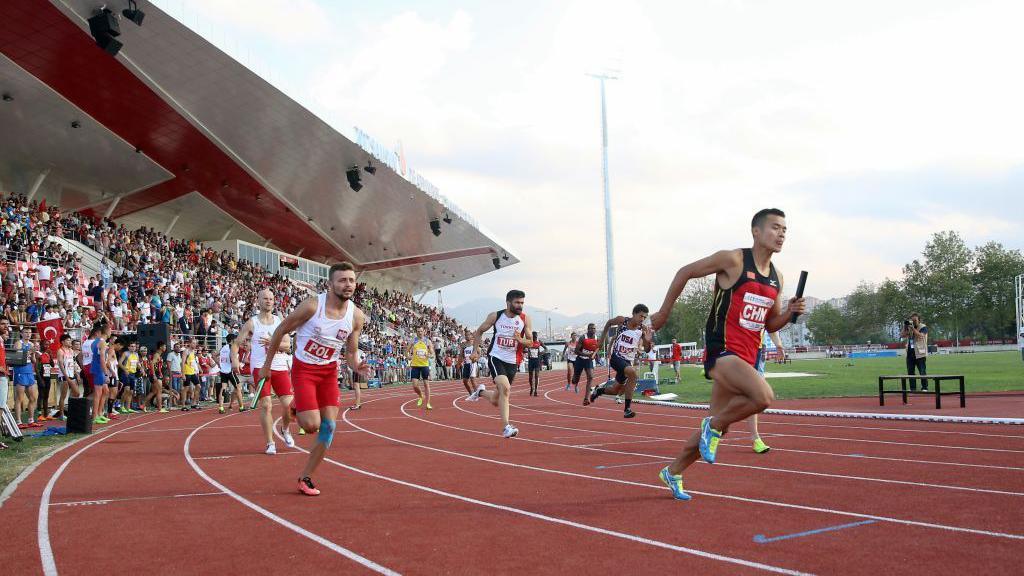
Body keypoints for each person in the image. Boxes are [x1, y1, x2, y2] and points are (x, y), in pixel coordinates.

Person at [650, 208, 805, 501]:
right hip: (721, 349)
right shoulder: (732, 260)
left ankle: (674, 471)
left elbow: (770, 323)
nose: (782, 233)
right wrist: (664, 312)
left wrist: (789, 313)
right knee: (763, 397)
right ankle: (714, 427)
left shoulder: (777, 278)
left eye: (785, 229)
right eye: (775, 227)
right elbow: (685, 272)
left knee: (718, 421)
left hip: (747, 354)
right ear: (756, 232)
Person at [260, 262, 368, 496]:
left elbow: (350, 352)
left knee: (329, 426)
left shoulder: (356, 316)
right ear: (330, 284)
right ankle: (297, 407)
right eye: (342, 280)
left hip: (329, 371)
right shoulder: (312, 306)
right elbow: (280, 331)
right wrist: (266, 367)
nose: (347, 284)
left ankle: (305, 477)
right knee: (311, 426)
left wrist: (357, 365)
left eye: (351, 280)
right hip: (304, 370)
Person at [234, 288, 296, 454]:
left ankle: (285, 429)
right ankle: (270, 443)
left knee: (289, 406)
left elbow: (287, 346)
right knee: (266, 406)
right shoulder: (252, 323)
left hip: (280, 367)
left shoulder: (280, 321)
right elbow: (236, 343)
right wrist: (235, 362)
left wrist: (272, 342)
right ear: (259, 301)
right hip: (260, 369)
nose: (268, 301)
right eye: (265, 298)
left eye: (271, 298)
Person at [467, 289, 533, 438]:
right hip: (496, 357)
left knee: (496, 399)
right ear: (508, 302)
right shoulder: (496, 316)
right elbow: (479, 332)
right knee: (505, 388)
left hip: (512, 361)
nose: (520, 306)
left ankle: (480, 392)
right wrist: (475, 351)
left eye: (522, 303)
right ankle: (506, 428)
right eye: (517, 302)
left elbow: (531, 342)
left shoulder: (525, 319)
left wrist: (521, 340)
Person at [588, 305, 653, 418]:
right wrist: (602, 340)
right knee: (633, 373)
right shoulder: (622, 321)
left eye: (645, 317)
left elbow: (647, 349)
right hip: (616, 358)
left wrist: (647, 341)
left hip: (628, 362)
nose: (642, 319)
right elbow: (609, 323)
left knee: (615, 390)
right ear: (634, 314)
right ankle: (627, 409)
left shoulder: (642, 330)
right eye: (641, 316)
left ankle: (598, 391)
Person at [748, 330, 786, 454]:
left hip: (758, 349)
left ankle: (756, 438)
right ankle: (715, 426)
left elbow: (771, 326)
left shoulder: (766, 310)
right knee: (732, 391)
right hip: (739, 347)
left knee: (756, 395)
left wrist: (779, 345)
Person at [12, 327, 39, 428]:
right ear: (21, 334)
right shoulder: (18, 343)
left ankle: (31, 420)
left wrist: (34, 353)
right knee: (19, 399)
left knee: (33, 398)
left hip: (29, 372)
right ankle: (18, 421)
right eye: (26, 332)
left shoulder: (31, 344)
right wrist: (29, 351)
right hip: (20, 372)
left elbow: (34, 361)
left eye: (29, 332)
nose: (28, 334)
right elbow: (18, 358)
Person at [901, 313, 929, 391]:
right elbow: (902, 335)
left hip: (920, 353)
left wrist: (913, 328)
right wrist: (905, 326)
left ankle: (924, 387)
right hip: (910, 352)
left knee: (922, 371)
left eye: (915, 320)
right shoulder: (909, 327)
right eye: (912, 320)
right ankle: (912, 388)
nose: (913, 321)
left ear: (919, 319)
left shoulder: (923, 327)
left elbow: (920, 335)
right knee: (910, 371)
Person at [407, 327, 434, 410]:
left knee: (426, 384)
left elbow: (432, 354)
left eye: (421, 331)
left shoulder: (427, 341)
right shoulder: (413, 341)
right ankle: (421, 395)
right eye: (418, 331)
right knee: (415, 386)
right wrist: (408, 356)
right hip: (415, 365)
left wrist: (428, 355)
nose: (420, 332)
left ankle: (428, 403)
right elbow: (407, 350)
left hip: (424, 365)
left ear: (424, 332)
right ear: (416, 332)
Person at [217, 334, 244, 414]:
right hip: (230, 371)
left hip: (223, 371)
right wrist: (238, 367)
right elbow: (233, 359)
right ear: (232, 340)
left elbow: (214, 355)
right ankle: (241, 407)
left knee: (223, 388)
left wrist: (219, 364)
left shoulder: (223, 348)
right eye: (235, 339)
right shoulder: (232, 348)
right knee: (238, 388)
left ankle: (221, 407)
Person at [574, 324, 600, 401]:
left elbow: (597, 348)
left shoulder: (596, 338)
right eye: (591, 328)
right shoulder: (583, 338)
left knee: (591, 377)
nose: (593, 330)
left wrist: (597, 356)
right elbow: (576, 351)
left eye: (594, 328)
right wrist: (587, 354)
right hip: (580, 359)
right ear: (588, 329)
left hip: (588, 360)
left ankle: (586, 398)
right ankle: (575, 383)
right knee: (575, 379)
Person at [526, 332, 547, 397]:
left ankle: (536, 390)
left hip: (537, 360)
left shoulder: (539, 342)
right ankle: (531, 388)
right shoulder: (529, 342)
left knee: (536, 375)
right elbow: (523, 348)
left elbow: (546, 348)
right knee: (530, 377)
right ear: (532, 336)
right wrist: (527, 352)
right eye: (534, 336)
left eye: (536, 336)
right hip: (531, 360)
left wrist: (541, 353)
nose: (535, 338)